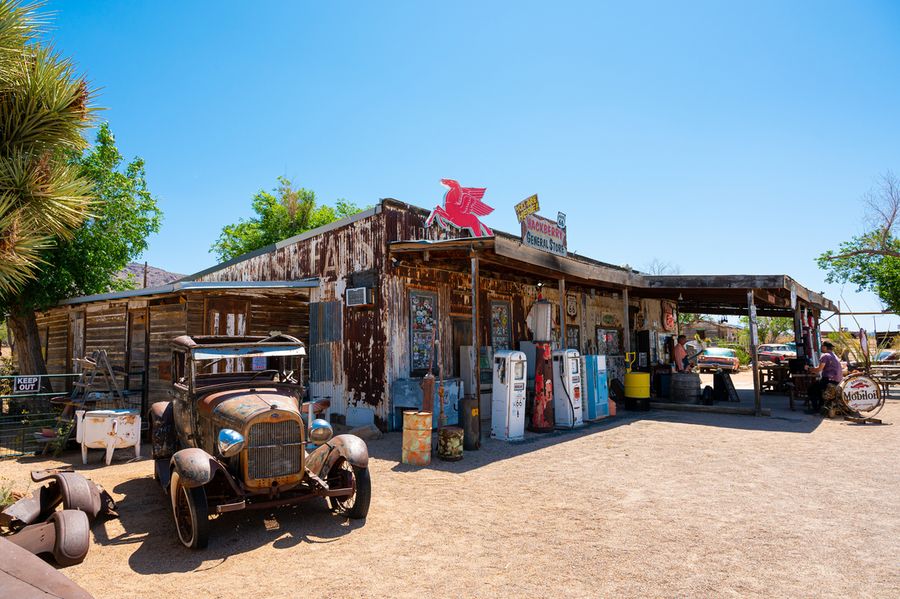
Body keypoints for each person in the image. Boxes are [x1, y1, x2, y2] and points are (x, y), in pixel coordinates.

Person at [807, 340, 843, 412]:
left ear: (825, 347)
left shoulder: (825, 355)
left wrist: (809, 369)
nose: (821, 348)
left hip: (829, 380)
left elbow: (819, 369)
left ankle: (815, 409)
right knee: (818, 388)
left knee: (811, 389)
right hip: (837, 380)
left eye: (822, 346)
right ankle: (821, 405)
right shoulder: (834, 355)